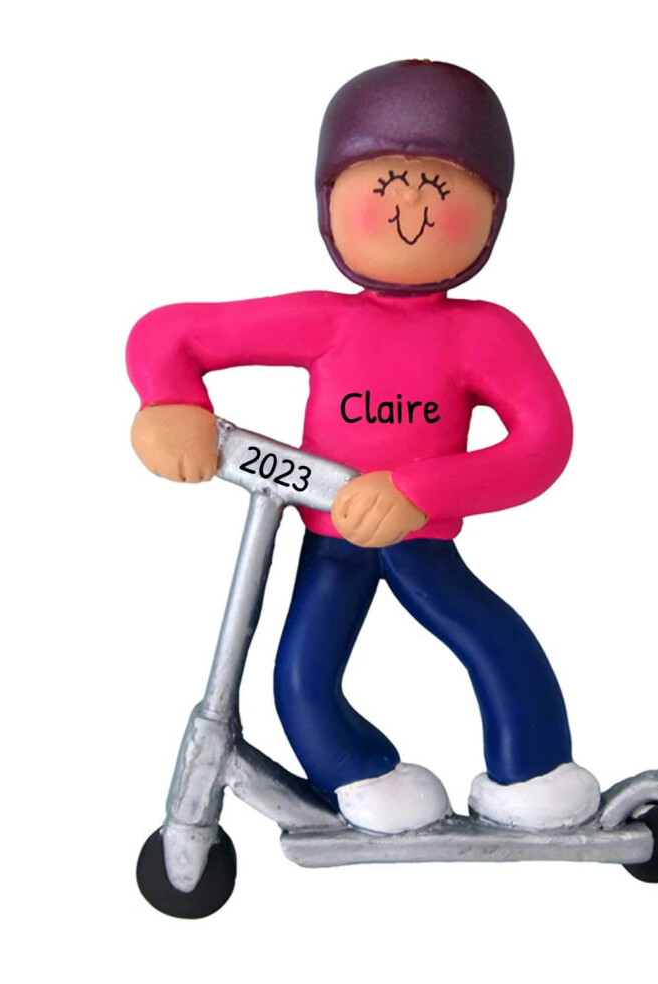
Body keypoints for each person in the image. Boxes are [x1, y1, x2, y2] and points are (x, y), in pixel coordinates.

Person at [127, 60, 600, 834]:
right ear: (329, 206)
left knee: (490, 639)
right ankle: (361, 776)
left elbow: (543, 444)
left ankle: (536, 768)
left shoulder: (485, 334)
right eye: (383, 188)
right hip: (330, 532)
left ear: (492, 214)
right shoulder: (327, 321)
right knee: (302, 676)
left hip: (419, 537)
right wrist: (172, 402)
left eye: (439, 190)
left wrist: (420, 490)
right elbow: (168, 334)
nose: (410, 208)